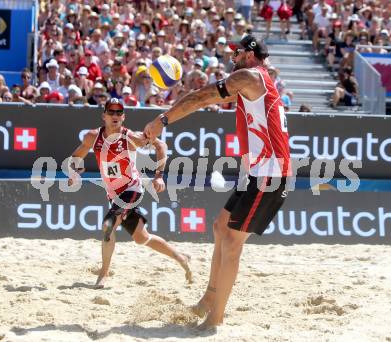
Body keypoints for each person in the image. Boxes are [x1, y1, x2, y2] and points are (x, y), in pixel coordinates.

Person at [144, 35, 291, 331]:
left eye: (235, 53)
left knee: (233, 243)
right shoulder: (256, 79)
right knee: (220, 227)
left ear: (249, 55)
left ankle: (216, 318)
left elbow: (200, 97)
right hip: (257, 173)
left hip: (270, 174)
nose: (231, 58)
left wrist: (162, 120)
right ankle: (209, 299)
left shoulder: (249, 76)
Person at [68, 98, 192, 289]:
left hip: (131, 190)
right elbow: (76, 157)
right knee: (142, 238)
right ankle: (180, 257)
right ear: (104, 115)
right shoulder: (93, 137)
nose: (115, 116)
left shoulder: (131, 138)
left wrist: (159, 176)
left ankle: (103, 274)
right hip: (113, 195)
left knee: (108, 225)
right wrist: (74, 172)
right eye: (111, 112)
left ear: (124, 117)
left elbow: (161, 147)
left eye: (119, 113)